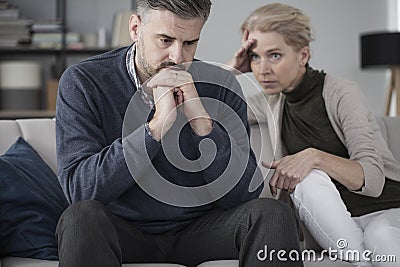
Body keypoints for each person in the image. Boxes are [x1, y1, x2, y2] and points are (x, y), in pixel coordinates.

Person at [55, 1, 303, 266]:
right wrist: (156, 127)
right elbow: (80, 190)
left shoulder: (221, 85)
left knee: (274, 214)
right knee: (80, 218)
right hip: (123, 231)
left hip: (201, 230)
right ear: (136, 28)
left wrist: (202, 124)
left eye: (189, 43)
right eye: (165, 40)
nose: (177, 57)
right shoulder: (83, 81)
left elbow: (244, 194)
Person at [227, 3, 400, 266]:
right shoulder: (270, 102)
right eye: (255, 57)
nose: (263, 69)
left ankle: (361, 261)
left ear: (303, 55)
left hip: (385, 208)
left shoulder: (341, 92)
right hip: (335, 224)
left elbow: (373, 180)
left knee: (383, 239)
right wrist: (231, 70)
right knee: (306, 179)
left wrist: (315, 157)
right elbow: (208, 108)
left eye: (274, 55)